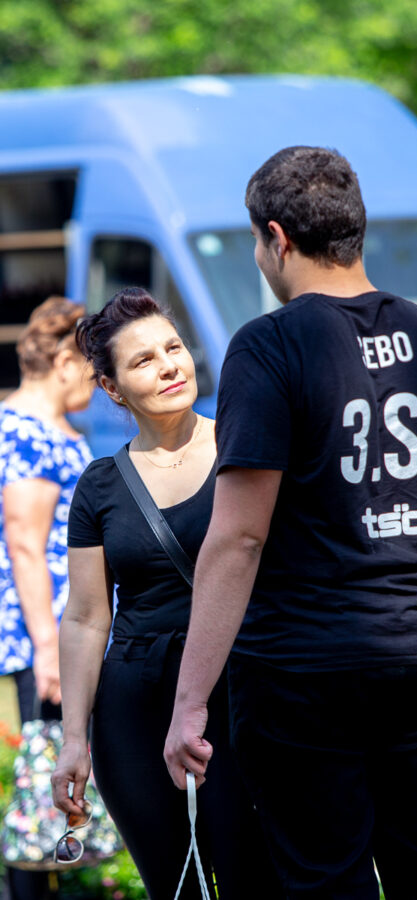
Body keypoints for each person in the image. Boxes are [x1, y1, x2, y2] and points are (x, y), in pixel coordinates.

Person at [164, 146, 417, 899]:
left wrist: (189, 704)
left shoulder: (268, 346)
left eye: (255, 242)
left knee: (326, 881)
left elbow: (240, 537)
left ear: (276, 238)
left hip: (302, 671)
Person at [51, 288, 283, 900]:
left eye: (173, 348)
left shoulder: (245, 448)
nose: (169, 366)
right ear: (112, 388)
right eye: (144, 360)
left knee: (254, 880)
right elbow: (86, 617)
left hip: (239, 695)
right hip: (134, 709)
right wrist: (73, 739)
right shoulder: (100, 485)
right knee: (173, 888)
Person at [0, 296, 94, 900]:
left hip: (66, 627)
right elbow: (25, 544)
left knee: (55, 777)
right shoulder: (28, 432)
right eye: (92, 368)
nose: (98, 381)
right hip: (50, 633)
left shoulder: (43, 427)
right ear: (63, 362)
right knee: (45, 783)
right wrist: (46, 647)